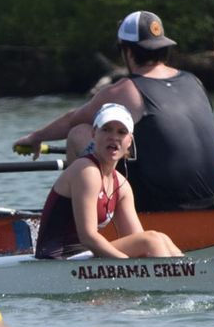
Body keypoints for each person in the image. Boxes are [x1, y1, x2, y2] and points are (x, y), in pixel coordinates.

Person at [13, 10, 214, 212]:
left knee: (79, 134)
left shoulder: (125, 90)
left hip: (160, 205)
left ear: (128, 52)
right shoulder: (194, 81)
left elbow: (72, 121)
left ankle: (77, 222)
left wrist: (36, 137)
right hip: (211, 199)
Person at [31, 104, 180, 259]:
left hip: (83, 259)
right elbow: (88, 237)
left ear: (129, 141)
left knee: (161, 238)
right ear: (94, 133)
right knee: (152, 241)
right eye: (106, 129)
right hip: (58, 260)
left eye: (121, 132)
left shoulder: (122, 185)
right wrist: (126, 264)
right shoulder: (87, 170)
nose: (114, 137)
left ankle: (185, 278)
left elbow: (136, 238)